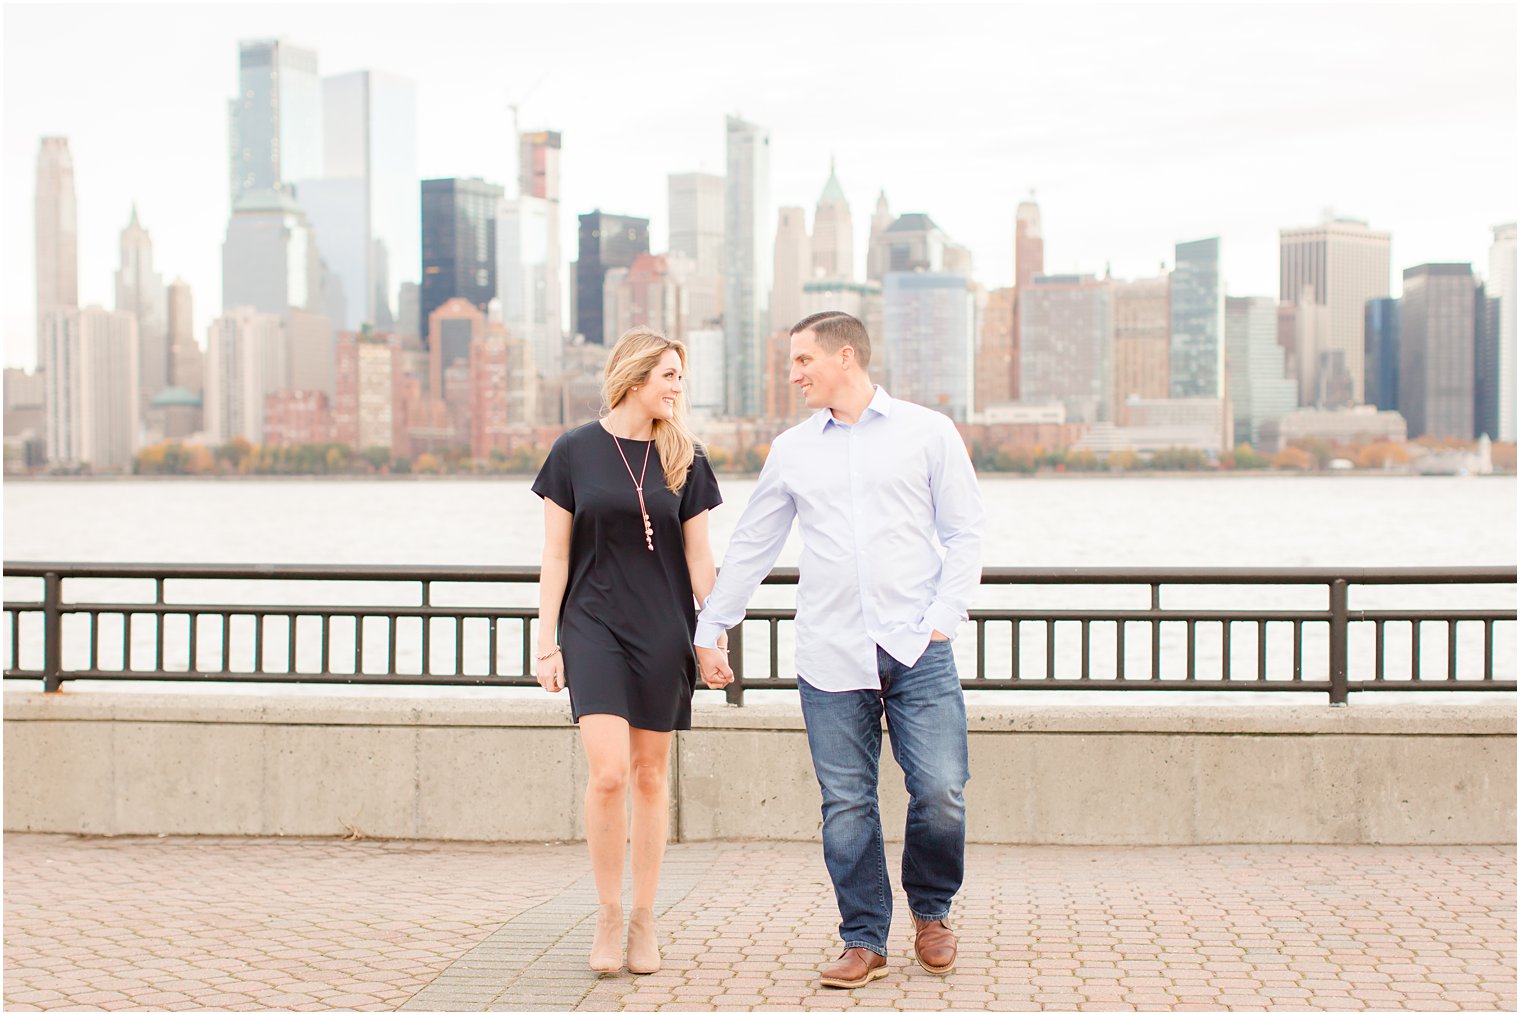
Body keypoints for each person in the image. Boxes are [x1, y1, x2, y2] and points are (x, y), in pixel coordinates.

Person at [695, 310, 984, 989]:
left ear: (843, 356)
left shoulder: (928, 432)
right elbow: (753, 546)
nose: (793, 373)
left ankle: (932, 911)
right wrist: (711, 628)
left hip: (917, 645)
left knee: (941, 791)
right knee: (847, 803)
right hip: (830, 652)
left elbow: (966, 532)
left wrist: (944, 615)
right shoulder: (792, 449)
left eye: (802, 361)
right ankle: (863, 937)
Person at [533, 327, 725, 975]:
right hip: (591, 627)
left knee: (649, 775)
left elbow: (701, 559)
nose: (678, 386)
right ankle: (607, 914)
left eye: (680, 376)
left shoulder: (688, 457)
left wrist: (714, 634)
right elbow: (556, 556)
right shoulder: (574, 451)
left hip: (663, 629)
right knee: (609, 771)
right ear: (637, 375)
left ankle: (644, 918)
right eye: (669, 374)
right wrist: (546, 643)